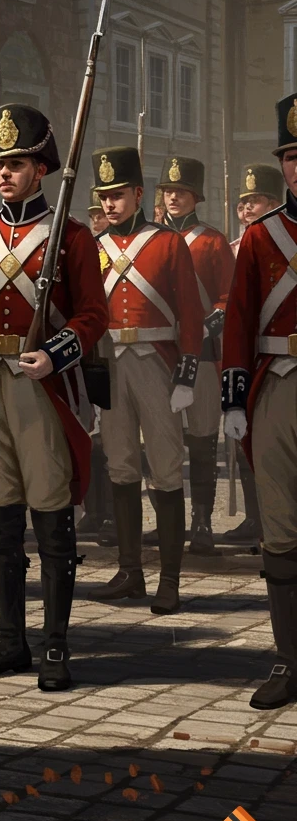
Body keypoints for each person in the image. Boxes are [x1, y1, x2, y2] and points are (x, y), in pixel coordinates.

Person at [0, 106, 107, 690]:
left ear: (41, 168)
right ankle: (9, 639)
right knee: (1, 517)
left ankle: (56, 645)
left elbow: (95, 313)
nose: (4, 174)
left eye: (15, 164)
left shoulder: (72, 235)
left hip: (42, 385)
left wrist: (58, 353)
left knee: (51, 518)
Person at [87, 148, 203, 616]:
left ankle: (170, 578)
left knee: (166, 468)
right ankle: (130, 571)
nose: (111, 205)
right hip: (110, 362)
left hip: (156, 362)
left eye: (118, 195)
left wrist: (187, 372)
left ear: (138, 194)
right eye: (104, 197)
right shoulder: (94, 250)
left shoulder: (168, 243)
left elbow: (191, 314)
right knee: (120, 466)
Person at [222, 96, 297, 709]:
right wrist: (234, 398)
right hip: (276, 385)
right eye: (292, 158)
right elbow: (240, 322)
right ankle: (289, 659)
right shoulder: (258, 238)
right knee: (280, 527)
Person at [157, 156, 233, 556]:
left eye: (181, 191)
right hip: (160, 351)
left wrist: (207, 326)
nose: (173, 197)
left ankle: (201, 522)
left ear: (195, 197)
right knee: (160, 438)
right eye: (168, 191)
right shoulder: (151, 239)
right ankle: (166, 520)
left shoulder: (212, 241)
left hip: (202, 352)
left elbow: (228, 295)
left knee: (202, 439)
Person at [222, 163, 283, 545]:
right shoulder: (232, 248)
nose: (245, 210)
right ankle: (254, 518)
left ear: (274, 203)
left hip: (273, 353)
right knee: (248, 442)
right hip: (244, 356)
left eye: (254, 201)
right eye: (242, 203)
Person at [78, 187, 114, 542]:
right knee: (92, 436)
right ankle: (94, 509)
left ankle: (115, 514)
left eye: (98, 215)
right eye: (92, 215)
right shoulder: (91, 248)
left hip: (120, 346)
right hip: (92, 348)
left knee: (114, 441)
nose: (96, 220)